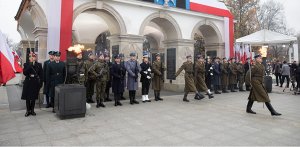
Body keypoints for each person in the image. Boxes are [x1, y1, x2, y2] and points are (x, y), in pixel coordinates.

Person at [21, 53, 43, 117]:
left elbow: (41, 75)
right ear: (29, 58)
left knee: (33, 97)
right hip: (28, 82)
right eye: (31, 57)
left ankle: (32, 110)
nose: (32, 58)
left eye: (33, 57)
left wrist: (41, 83)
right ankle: (28, 111)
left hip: (35, 83)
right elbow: (25, 73)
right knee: (27, 98)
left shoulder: (39, 65)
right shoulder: (26, 64)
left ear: (35, 58)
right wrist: (30, 65)